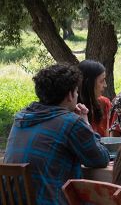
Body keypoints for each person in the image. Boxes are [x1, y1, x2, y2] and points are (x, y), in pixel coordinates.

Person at [4, 64, 110, 204]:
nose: (77, 96)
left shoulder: (21, 117)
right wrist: (85, 123)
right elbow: (100, 158)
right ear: (70, 94)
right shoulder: (70, 122)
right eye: (77, 92)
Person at [78, 60, 112, 137]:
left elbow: (106, 139)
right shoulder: (74, 108)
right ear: (89, 83)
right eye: (101, 81)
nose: (105, 85)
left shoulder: (104, 103)